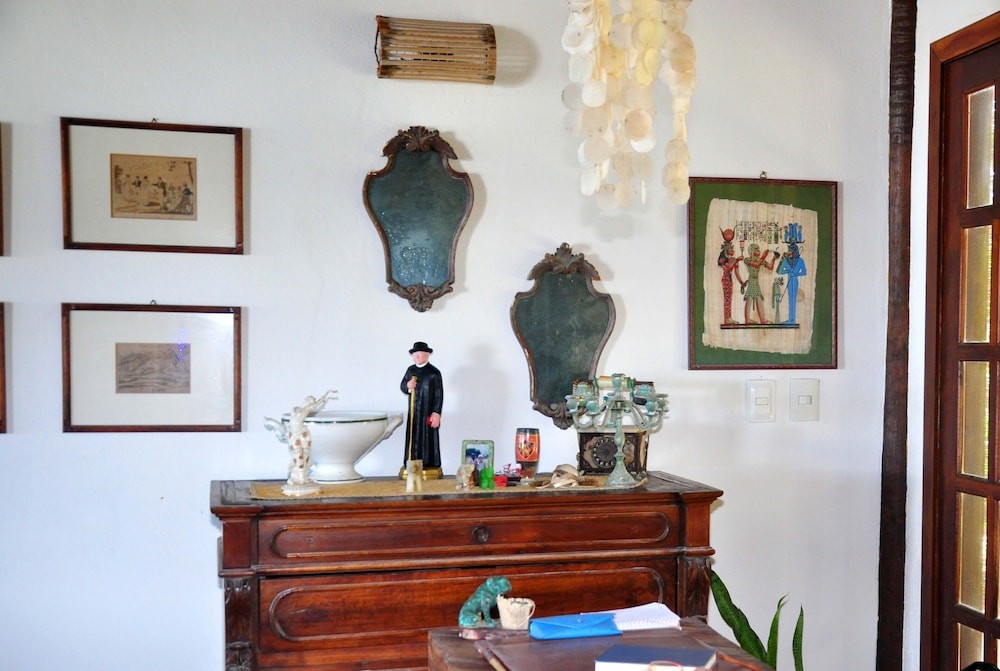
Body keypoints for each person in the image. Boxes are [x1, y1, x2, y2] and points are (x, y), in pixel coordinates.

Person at [400, 341, 443, 472]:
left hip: (427, 412)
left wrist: (436, 412)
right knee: (413, 435)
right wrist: (408, 386)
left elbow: (439, 394)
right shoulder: (411, 370)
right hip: (414, 412)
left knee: (428, 436)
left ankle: (429, 462)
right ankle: (412, 460)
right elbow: (403, 385)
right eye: (415, 355)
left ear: (427, 355)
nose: (417, 357)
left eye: (419, 354)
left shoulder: (433, 373)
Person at [777, 243, 808, 324]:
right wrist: (788, 271)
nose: (788, 252)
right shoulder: (786, 260)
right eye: (788, 250)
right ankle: (790, 319)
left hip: (794, 281)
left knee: (793, 299)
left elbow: (804, 272)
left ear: (794, 251)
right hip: (789, 281)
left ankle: (792, 319)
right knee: (790, 299)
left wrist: (795, 274)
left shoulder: (800, 261)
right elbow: (780, 271)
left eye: (790, 250)